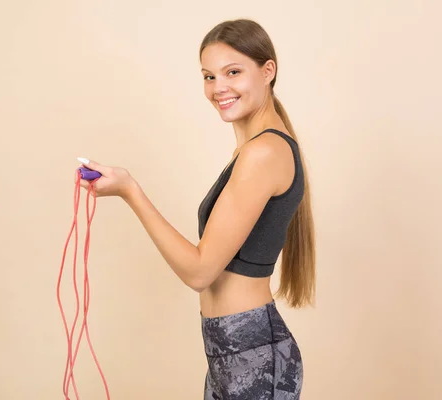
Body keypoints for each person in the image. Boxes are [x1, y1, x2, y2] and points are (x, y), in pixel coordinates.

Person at [76, 18, 316, 399]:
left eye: (232, 72)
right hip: (230, 350)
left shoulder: (264, 153)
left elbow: (200, 271)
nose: (218, 87)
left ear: (268, 70)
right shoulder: (253, 150)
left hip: (252, 355)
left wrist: (130, 191)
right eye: (208, 76)